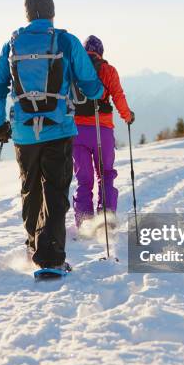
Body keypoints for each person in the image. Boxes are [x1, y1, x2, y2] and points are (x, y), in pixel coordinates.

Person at [0, 0, 104, 271]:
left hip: (24, 132)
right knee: (55, 190)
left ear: (27, 14)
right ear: (52, 12)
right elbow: (89, 84)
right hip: (59, 128)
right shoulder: (66, 42)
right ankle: (50, 259)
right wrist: (99, 92)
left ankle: (32, 248)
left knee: (30, 189)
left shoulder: (13, 43)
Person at [71, 35, 135, 228]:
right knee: (105, 173)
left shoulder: (74, 70)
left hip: (77, 131)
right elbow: (118, 97)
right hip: (102, 130)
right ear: (101, 52)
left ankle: (84, 221)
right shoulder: (109, 70)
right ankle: (106, 219)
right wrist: (127, 116)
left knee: (84, 178)